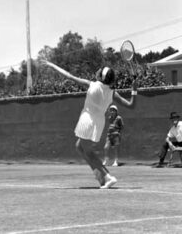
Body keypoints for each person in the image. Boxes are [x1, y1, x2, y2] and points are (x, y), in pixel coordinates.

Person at [41, 60, 136, 189]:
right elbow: (131, 105)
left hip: (87, 120)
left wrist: (52, 65)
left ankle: (108, 177)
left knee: (88, 151)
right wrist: (134, 90)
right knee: (79, 146)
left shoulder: (91, 84)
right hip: (99, 122)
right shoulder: (112, 92)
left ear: (101, 76)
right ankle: (100, 175)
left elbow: (69, 76)